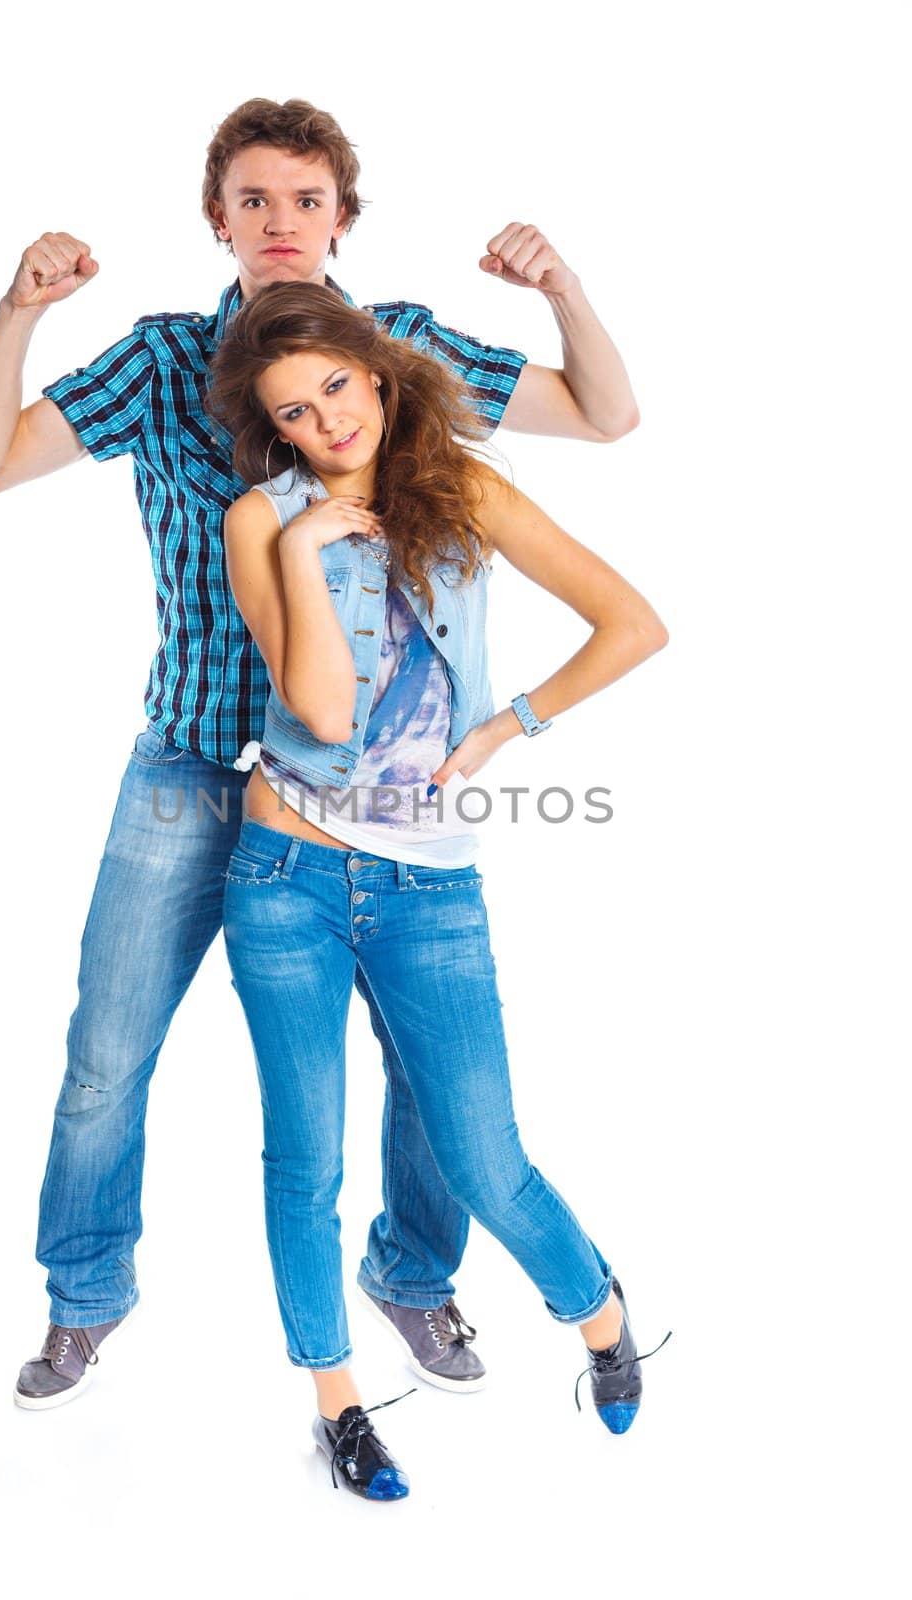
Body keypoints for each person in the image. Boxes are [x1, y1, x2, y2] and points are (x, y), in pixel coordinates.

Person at [0, 97, 641, 1412]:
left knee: (428, 1071)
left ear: (341, 216)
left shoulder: (400, 350)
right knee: (108, 1046)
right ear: (217, 218)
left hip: (373, 802)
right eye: (252, 200)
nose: (280, 222)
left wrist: (561, 288)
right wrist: (16, 311)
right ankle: (83, 1296)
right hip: (193, 766)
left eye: (305, 199)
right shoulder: (158, 363)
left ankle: (413, 1275)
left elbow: (602, 416)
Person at [208, 281, 668, 1499]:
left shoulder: (459, 487)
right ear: (275, 431)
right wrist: (310, 544)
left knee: (482, 1152)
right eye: (294, 413)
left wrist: (508, 726)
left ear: (375, 370)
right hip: (283, 875)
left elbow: (630, 622)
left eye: (337, 388)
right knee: (301, 1160)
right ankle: (339, 1403)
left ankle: (600, 1313)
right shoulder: (260, 518)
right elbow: (316, 708)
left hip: (428, 889)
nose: (325, 423)